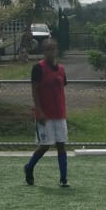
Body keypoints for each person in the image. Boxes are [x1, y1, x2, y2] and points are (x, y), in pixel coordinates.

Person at [24, 38, 70, 188]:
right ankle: (29, 167)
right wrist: (39, 111)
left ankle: (63, 178)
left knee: (61, 145)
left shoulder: (61, 69)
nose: (52, 52)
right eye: (48, 49)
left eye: (54, 49)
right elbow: (35, 90)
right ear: (44, 52)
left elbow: (61, 87)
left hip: (59, 113)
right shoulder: (38, 68)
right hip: (45, 114)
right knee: (45, 146)